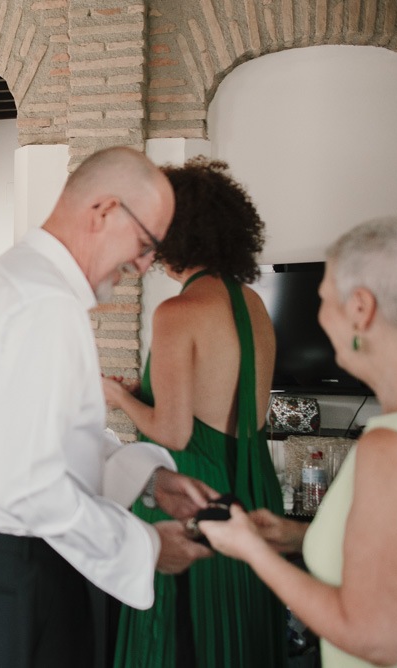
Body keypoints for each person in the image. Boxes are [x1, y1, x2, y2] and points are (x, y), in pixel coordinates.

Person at [0, 145, 216, 668]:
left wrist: (151, 482)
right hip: (14, 569)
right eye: (147, 242)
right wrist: (146, 549)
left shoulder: (15, 277)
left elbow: (51, 438)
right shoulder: (45, 304)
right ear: (105, 210)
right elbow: (34, 484)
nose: (145, 263)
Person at [200, 216, 397, 668]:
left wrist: (250, 550)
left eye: (322, 300)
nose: (320, 317)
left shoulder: (393, 447)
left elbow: (377, 638)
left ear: (361, 309)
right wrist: (301, 536)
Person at [103, 157, 287, 667]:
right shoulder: (252, 301)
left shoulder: (176, 312)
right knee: (241, 633)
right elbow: (226, 390)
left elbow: (175, 433)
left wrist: (119, 397)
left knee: (183, 642)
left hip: (193, 492)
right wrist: (148, 386)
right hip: (252, 484)